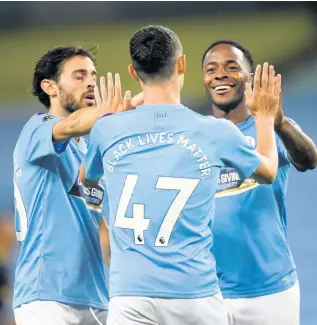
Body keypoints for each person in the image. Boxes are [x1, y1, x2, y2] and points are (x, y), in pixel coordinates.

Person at [80, 25, 281, 325]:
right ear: (182, 64)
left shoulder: (108, 129)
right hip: (194, 294)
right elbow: (268, 172)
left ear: (134, 73)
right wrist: (264, 117)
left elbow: (86, 178)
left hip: (130, 296)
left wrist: (119, 115)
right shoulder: (214, 132)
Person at [12, 46, 135, 325]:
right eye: (79, 76)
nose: (91, 81)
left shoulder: (93, 152)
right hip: (46, 297)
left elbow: (103, 234)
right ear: (50, 87)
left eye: (93, 75)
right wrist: (132, 106)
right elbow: (71, 125)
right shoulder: (38, 129)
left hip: (96, 297)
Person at [201, 40, 317, 325]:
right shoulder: (196, 135)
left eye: (231, 67)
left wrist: (279, 124)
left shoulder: (268, 128)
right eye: (211, 68)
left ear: (249, 79)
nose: (219, 74)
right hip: (207, 292)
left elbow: (309, 159)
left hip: (270, 290)